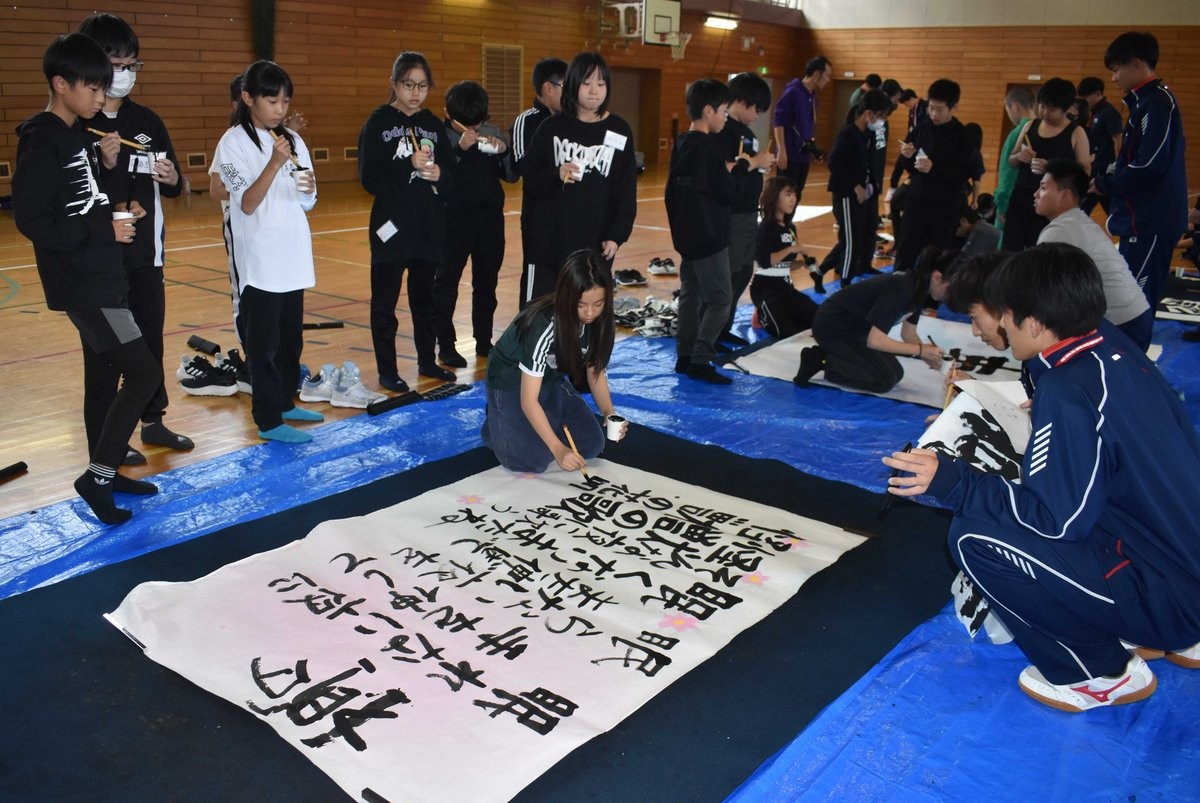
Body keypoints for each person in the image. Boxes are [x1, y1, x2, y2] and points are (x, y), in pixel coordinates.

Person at [884, 243, 1200, 713]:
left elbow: (1056, 522)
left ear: (1032, 322)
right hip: (1178, 559)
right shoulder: (1106, 345)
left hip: (1172, 594)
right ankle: (1158, 628)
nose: (997, 327)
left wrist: (953, 480)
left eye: (1004, 316)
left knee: (973, 536)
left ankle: (1098, 674)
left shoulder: (1068, 390)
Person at [13, 32, 162, 523]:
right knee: (143, 373)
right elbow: (33, 220)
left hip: (102, 274)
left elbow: (84, 203)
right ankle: (96, 479)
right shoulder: (43, 140)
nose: (102, 97)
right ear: (61, 84)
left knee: (103, 378)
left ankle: (109, 469)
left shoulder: (77, 136)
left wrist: (118, 208)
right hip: (86, 285)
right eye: (93, 88)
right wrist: (103, 228)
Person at [75, 13, 190, 466]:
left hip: (146, 255)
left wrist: (172, 177)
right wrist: (103, 168)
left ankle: (152, 419)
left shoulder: (146, 120)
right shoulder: (78, 125)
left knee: (149, 341)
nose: (123, 73)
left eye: (131, 64)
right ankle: (108, 439)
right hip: (101, 262)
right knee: (106, 352)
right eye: (115, 63)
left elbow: (176, 185)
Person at [213, 59, 323, 443]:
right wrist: (275, 163)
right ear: (248, 98)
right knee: (263, 345)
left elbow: (306, 201)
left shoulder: (293, 140)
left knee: (291, 339)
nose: (280, 109)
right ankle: (268, 419)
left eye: (285, 101)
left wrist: (309, 189)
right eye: (272, 100)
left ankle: (285, 402)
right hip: (261, 262)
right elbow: (246, 203)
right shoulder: (232, 143)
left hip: (293, 255)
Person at [358, 51, 456, 390]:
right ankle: (387, 369)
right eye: (408, 85)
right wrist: (408, 165)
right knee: (385, 302)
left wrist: (441, 174)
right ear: (394, 84)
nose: (415, 92)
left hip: (427, 226)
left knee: (425, 300)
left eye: (423, 86)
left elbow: (452, 175)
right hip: (391, 227)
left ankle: (427, 360)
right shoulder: (378, 122)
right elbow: (370, 178)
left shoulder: (433, 124)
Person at [481, 250, 626, 473]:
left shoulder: (601, 322)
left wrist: (609, 411)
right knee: (532, 460)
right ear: (566, 297)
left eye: (598, 304)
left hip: (550, 378)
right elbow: (528, 400)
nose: (590, 313)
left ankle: (525, 424)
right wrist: (558, 449)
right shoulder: (544, 324)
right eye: (581, 304)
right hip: (510, 380)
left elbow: (595, 371)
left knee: (591, 444)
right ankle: (497, 423)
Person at [522, 52, 638, 299]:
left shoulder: (619, 130)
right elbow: (530, 180)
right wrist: (556, 174)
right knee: (541, 311)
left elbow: (626, 189)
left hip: (595, 245)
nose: (594, 91)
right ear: (573, 84)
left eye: (601, 83)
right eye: (586, 83)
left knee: (587, 312)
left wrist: (616, 236)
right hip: (550, 246)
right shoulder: (551, 127)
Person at [1092, 31, 1188, 311]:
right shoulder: (1143, 103)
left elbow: (1149, 164)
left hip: (1152, 219)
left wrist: (1106, 183)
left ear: (1136, 63)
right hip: (1141, 218)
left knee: (1138, 300)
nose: (1114, 78)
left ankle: (1135, 341)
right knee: (1130, 295)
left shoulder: (1157, 103)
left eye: (1116, 69)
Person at [433, 80, 514, 365]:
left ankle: (484, 341)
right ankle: (446, 345)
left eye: (478, 123)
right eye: (466, 125)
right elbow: (435, 178)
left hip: (490, 221)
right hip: (452, 221)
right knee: (446, 284)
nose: (474, 129)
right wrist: (459, 150)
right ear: (448, 114)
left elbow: (512, 175)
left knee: (487, 284)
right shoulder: (439, 136)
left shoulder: (490, 131)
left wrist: (504, 151)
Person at [1034, 159, 1153, 350]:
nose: (1036, 194)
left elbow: (1040, 291)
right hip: (1133, 319)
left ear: (1065, 195)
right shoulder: (1076, 222)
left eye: (1043, 188)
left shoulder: (1059, 231)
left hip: (1122, 327)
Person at [794, 246, 948, 393]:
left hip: (855, 329)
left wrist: (930, 357)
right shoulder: (902, 288)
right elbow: (875, 341)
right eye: (950, 288)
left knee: (896, 373)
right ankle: (820, 361)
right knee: (884, 380)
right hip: (833, 328)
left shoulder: (918, 287)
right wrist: (921, 350)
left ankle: (833, 354)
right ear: (937, 277)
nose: (949, 295)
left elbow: (909, 334)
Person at [665, 78, 739, 385]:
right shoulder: (709, 148)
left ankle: (684, 355)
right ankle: (700, 358)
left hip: (688, 235)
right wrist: (738, 170)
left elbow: (675, 191)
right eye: (723, 111)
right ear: (708, 111)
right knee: (721, 298)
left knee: (692, 294)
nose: (725, 117)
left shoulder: (682, 143)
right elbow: (725, 191)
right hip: (709, 237)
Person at [713, 72, 775, 345]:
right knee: (729, 274)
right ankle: (711, 332)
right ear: (740, 100)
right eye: (756, 108)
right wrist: (754, 162)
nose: (757, 115)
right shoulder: (723, 130)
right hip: (732, 213)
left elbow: (747, 166)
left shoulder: (748, 134)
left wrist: (761, 164)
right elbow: (721, 170)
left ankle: (723, 327)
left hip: (749, 211)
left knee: (743, 273)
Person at [1000, 78, 1090, 252]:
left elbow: (1085, 172)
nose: (1045, 113)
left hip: (1052, 205)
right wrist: (1019, 156)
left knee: (1042, 250)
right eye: (1042, 106)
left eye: (1052, 109)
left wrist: (1051, 167)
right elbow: (1011, 161)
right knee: (1010, 249)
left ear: (1066, 109)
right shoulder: (1030, 126)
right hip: (1022, 197)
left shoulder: (1076, 133)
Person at [814, 89, 892, 288]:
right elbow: (834, 162)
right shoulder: (849, 132)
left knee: (851, 239)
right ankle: (845, 285)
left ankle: (820, 271)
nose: (882, 121)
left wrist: (871, 184)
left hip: (860, 195)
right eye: (881, 116)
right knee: (851, 242)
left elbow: (866, 165)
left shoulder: (866, 135)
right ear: (869, 113)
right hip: (846, 194)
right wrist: (855, 186)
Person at [895, 79, 972, 273]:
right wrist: (906, 156)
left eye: (940, 110)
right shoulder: (921, 129)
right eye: (931, 108)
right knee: (905, 254)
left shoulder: (962, 135)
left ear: (953, 108)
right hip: (916, 203)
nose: (934, 114)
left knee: (937, 261)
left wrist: (934, 168)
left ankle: (930, 292)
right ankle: (900, 287)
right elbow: (908, 167)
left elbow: (962, 174)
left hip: (943, 209)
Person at [511, 57, 567, 308]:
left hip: (568, 216)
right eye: (566, 86)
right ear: (548, 88)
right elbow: (524, 167)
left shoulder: (573, 121)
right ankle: (530, 330)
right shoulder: (527, 121)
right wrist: (556, 173)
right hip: (538, 218)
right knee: (537, 285)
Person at [751, 176, 818, 338]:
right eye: (788, 194)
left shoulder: (790, 228)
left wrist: (802, 263)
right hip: (766, 289)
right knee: (787, 333)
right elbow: (765, 262)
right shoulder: (765, 228)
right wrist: (791, 249)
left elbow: (784, 264)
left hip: (785, 288)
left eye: (794, 195)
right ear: (774, 196)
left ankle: (769, 312)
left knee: (819, 318)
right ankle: (761, 312)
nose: (793, 199)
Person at [772, 55, 832, 202]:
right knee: (784, 196)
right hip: (790, 155)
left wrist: (813, 150)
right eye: (827, 75)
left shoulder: (812, 96)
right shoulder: (793, 92)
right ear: (816, 74)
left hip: (802, 156)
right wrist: (782, 150)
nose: (828, 79)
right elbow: (778, 120)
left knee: (796, 195)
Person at [1076, 76, 1123, 215]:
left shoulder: (1108, 112)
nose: (1084, 101)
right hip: (1096, 166)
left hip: (1104, 170)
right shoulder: (1095, 113)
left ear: (1098, 94)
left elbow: (1118, 139)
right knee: (1086, 207)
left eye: (1086, 97)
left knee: (1086, 207)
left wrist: (1116, 166)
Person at [992, 86, 1035, 233]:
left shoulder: (1018, 133)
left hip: (1011, 202)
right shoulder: (1041, 130)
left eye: (1008, 110)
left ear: (1015, 107)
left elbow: (1008, 174)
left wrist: (1002, 203)